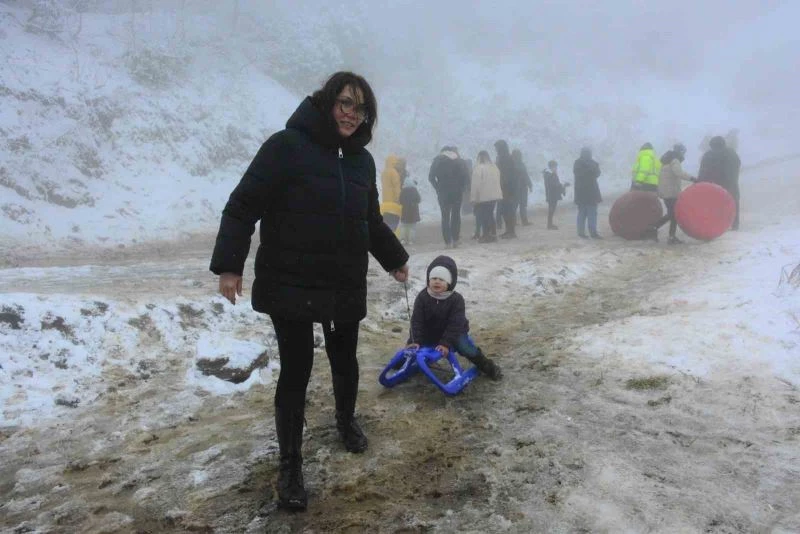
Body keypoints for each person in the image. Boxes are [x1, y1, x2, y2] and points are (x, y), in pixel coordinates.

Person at [209, 72, 410, 512]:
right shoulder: (286, 147)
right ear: (325, 102)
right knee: (296, 373)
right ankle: (291, 466)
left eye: (360, 108)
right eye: (344, 103)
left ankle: (345, 420)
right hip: (292, 281)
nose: (351, 114)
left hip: (342, 281)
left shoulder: (362, 163)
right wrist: (229, 264)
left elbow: (370, 221)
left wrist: (395, 258)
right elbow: (243, 204)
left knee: (345, 361)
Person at [406, 255, 502, 380]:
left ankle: (487, 366)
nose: (437, 281)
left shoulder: (456, 300)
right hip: (430, 333)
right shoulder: (423, 297)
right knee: (412, 348)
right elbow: (417, 320)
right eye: (433, 278)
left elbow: (455, 324)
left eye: (441, 279)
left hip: (454, 334)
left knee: (466, 348)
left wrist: (446, 343)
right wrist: (415, 340)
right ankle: (403, 364)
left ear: (449, 282)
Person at [651, 143, 696, 244]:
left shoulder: (666, 161)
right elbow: (678, 173)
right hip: (671, 191)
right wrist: (692, 178)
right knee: (674, 214)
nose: (684, 154)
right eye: (683, 152)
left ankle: (656, 229)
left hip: (665, 190)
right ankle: (665, 234)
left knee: (672, 214)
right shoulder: (675, 160)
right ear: (680, 151)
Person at [698, 135, 742, 230]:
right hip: (730, 184)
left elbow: (703, 171)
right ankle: (734, 223)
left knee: (716, 205)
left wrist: (700, 183)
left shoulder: (708, 155)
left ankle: (719, 224)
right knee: (733, 203)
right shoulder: (731, 153)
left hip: (714, 185)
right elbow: (737, 165)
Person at [429, 146, 469, 248]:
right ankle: (455, 240)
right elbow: (466, 176)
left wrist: (438, 187)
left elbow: (431, 177)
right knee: (456, 215)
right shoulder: (459, 160)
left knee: (445, 216)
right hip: (457, 192)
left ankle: (448, 242)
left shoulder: (437, 160)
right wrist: (462, 188)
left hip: (443, 192)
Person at [470, 150, 503, 242]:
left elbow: (475, 184)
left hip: (483, 196)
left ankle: (486, 235)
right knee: (490, 214)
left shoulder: (478, 168)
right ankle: (493, 233)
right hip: (494, 196)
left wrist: (473, 198)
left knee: (484, 216)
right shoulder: (494, 167)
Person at [573, 147, 602, 239]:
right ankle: (592, 232)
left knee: (582, 213)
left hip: (581, 193)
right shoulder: (592, 163)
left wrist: (590, 169)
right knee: (592, 213)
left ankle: (581, 232)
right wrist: (591, 169)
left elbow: (596, 173)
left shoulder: (577, 163)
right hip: (591, 192)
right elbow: (597, 173)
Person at [494, 140, 519, 239]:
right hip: (505, 188)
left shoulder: (506, 158)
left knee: (508, 210)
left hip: (507, 188)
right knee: (505, 210)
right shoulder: (503, 158)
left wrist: (503, 185)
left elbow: (507, 175)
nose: (496, 150)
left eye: (497, 148)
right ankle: (508, 230)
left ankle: (511, 231)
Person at [380, 155, 405, 232]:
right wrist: (399, 199)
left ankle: (385, 232)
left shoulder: (384, 172)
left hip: (385, 199)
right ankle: (392, 233)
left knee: (386, 217)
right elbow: (396, 187)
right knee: (394, 217)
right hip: (393, 200)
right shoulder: (394, 173)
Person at [543, 160, 569, 229]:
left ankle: (550, 224)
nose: (556, 168)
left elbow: (555, 184)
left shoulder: (549, 174)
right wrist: (563, 186)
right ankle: (549, 225)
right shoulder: (550, 175)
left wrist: (562, 186)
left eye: (556, 167)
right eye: (555, 167)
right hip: (552, 195)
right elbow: (554, 185)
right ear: (551, 167)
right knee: (551, 209)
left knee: (552, 209)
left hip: (551, 194)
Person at [512, 148, 533, 226]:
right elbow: (525, 175)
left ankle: (517, 221)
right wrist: (530, 184)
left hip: (519, 188)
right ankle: (524, 221)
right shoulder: (517, 164)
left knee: (517, 205)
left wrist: (530, 184)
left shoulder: (514, 164)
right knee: (521, 205)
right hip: (520, 188)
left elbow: (525, 175)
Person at [398, 177, 421, 245]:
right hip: (413, 211)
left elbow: (400, 200)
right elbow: (419, 199)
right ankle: (411, 240)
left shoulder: (403, 190)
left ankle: (403, 239)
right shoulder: (414, 190)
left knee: (404, 226)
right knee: (412, 227)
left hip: (405, 211)